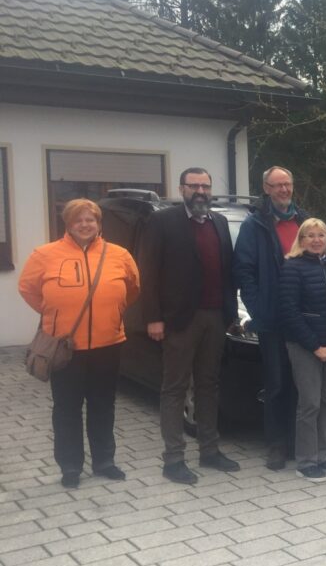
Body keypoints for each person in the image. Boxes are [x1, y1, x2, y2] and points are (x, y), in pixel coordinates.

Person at [18, 199, 140, 488]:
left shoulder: (119, 254)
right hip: (64, 346)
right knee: (66, 407)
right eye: (78, 220)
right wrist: (55, 314)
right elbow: (28, 289)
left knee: (103, 404)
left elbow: (133, 288)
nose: (85, 225)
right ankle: (70, 465)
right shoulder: (45, 255)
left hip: (108, 343)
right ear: (68, 224)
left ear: (99, 223)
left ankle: (104, 461)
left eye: (91, 220)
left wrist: (111, 312)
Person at [139, 168, 239, 484]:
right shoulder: (162, 221)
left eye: (205, 185)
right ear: (182, 188)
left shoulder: (219, 222)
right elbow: (148, 271)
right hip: (180, 319)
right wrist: (153, 317)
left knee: (208, 385)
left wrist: (231, 313)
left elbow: (228, 272)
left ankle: (209, 451)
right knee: (175, 388)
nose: (200, 190)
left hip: (214, 317)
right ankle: (173, 459)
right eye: (193, 185)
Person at [233, 165, 309, 471]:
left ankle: (298, 441)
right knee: (276, 383)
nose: (283, 190)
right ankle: (276, 445)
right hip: (273, 319)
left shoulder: (304, 221)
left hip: (305, 318)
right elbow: (243, 270)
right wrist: (259, 309)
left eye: (288, 184)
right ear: (266, 189)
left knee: (301, 383)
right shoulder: (255, 225)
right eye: (277, 185)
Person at [279, 219, 326, 482]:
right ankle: (306, 460)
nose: (316, 240)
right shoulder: (292, 267)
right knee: (309, 404)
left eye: (321, 235)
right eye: (310, 235)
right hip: (305, 347)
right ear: (301, 240)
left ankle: (323, 455)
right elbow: (289, 312)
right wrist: (316, 347)